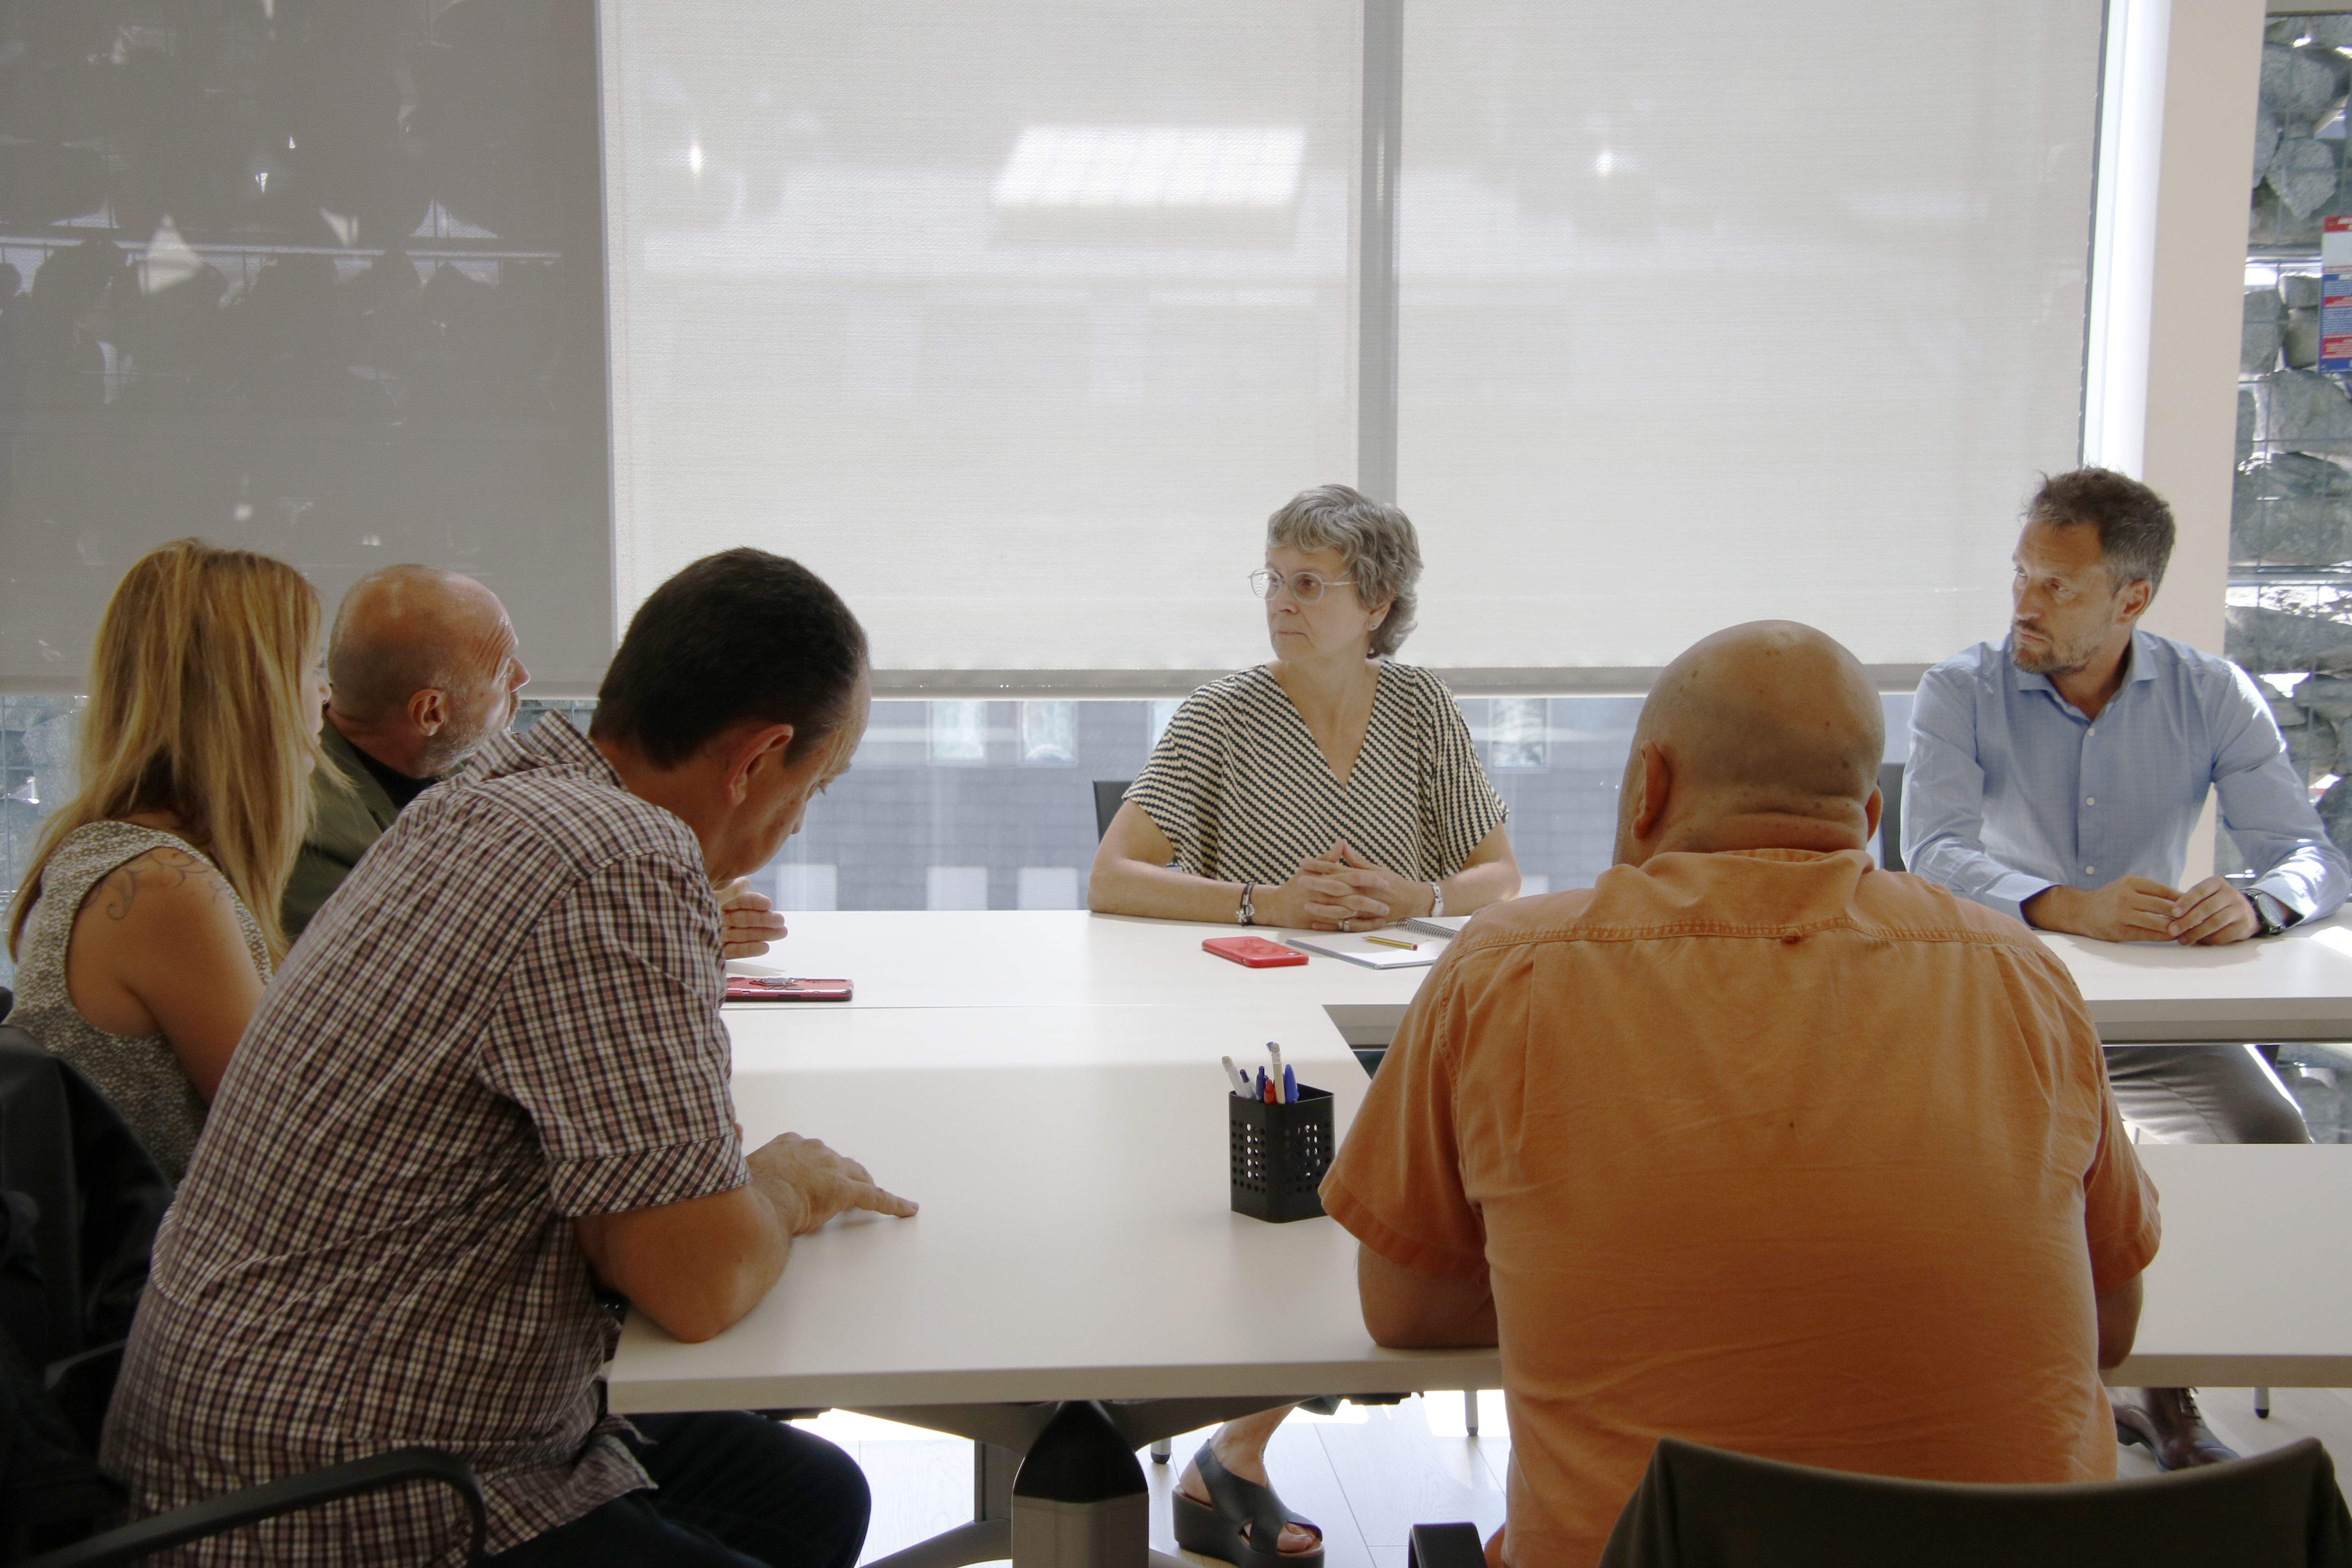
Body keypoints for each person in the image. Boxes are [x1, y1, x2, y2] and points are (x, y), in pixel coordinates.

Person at [100, 549, 916, 1566]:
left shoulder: (491, 786)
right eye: (818, 786)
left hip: (238, 1415)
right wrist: (784, 1188)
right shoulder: (619, 859)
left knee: (808, 1494)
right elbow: (695, 1285)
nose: (800, 820)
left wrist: (708, 1202)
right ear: (757, 759)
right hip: (351, 1489)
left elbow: (628, 1226)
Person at [1322, 620, 2158, 1568]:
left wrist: (1610, 1289)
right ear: (1869, 819)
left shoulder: (1508, 970)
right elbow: (2112, 1321)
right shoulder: (2022, 977)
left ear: (1649, 788)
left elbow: (1405, 1308)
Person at [1088, 484, 1519, 1565]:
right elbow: (1113, 875)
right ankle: (1236, 1445)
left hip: (1395, 1023)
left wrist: (1414, 894)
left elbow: (1498, 879)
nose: (1280, 601)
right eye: (1272, 578)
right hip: (1254, 1033)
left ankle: (1245, 1442)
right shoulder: (1223, 716)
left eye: (1308, 583)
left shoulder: (1421, 709)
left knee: (1457, 1193)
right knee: (1313, 1220)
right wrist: (1261, 900)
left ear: (1375, 604)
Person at [1904, 466, 2349, 1468]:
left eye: (2058, 585)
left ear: (2132, 598)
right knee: (2023, 1178)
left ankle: (2183, 1379)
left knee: (2271, 1133)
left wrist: (2256, 898)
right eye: (2022, 574)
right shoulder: (1959, 690)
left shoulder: (2210, 693)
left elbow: (2310, 854)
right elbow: (1930, 851)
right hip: (2009, 1017)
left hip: (2156, 1023)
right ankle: (2053, 1393)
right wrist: (2065, 903)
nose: (2026, 600)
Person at [4, 539, 328, 1179]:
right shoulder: (161, 886)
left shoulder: (118, 854)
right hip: (161, 1275)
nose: (325, 695)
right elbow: (299, 1147)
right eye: (311, 667)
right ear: (252, 698)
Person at [285, 565, 786, 957]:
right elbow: (442, 966)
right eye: (502, 665)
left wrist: (674, 906)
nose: (524, 677)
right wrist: (665, 927)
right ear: (431, 712)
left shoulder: (465, 770)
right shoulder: (308, 828)